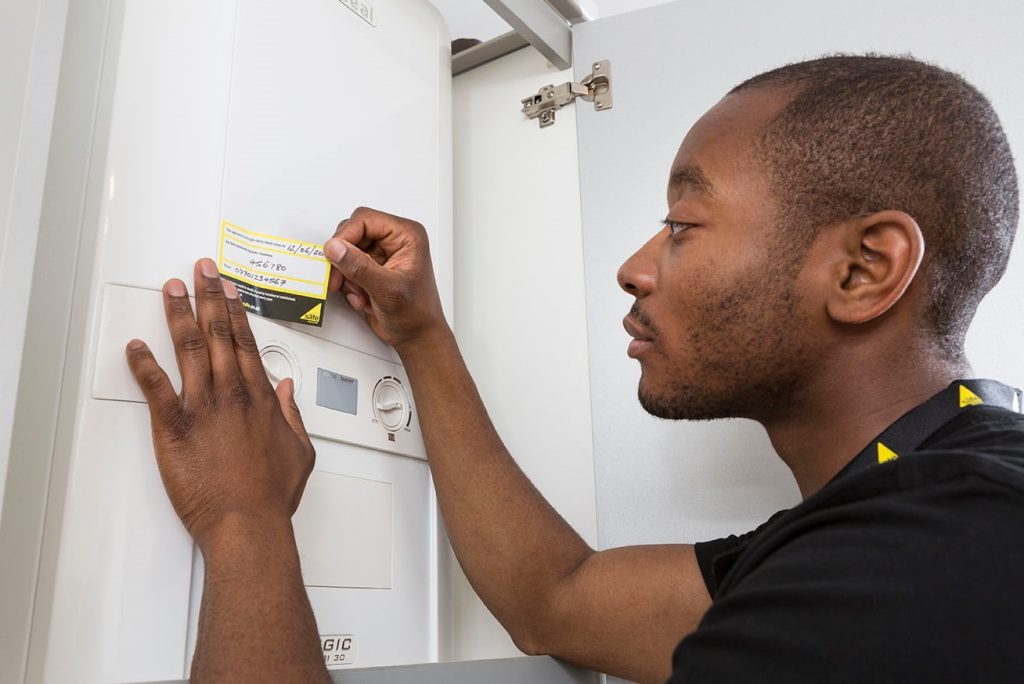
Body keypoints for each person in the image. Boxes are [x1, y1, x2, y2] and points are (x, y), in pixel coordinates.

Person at [125, 54, 1024, 683]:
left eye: (682, 225)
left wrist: (243, 520)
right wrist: (423, 337)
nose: (636, 265)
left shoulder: (929, 566)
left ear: (864, 270)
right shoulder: (919, 508)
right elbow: (558, 599)